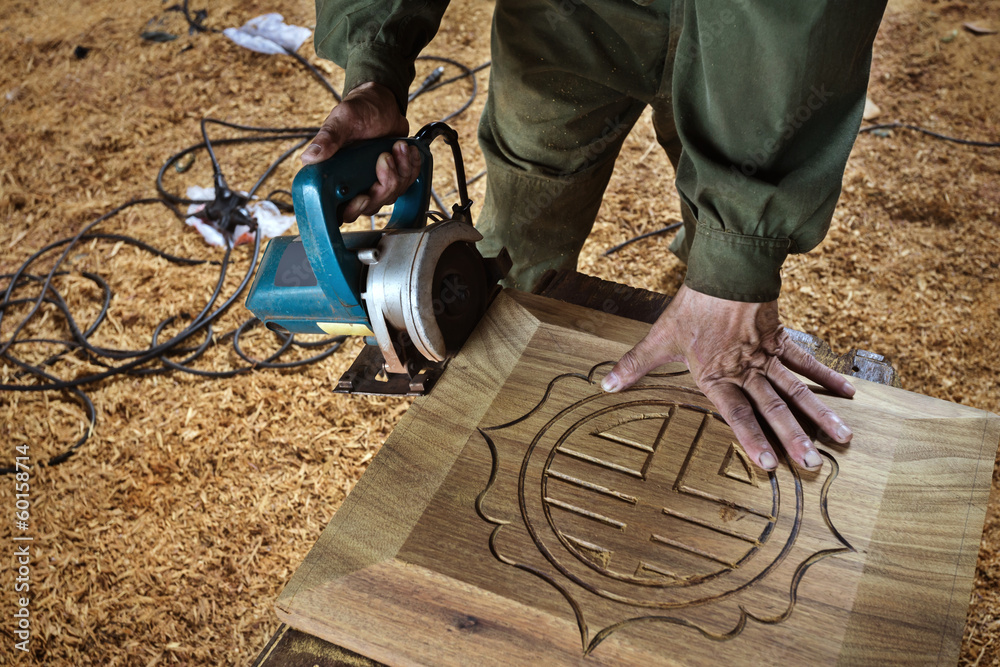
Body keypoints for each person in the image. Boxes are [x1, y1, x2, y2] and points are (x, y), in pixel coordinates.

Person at [300, 0, 888, 472]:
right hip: (566, 19)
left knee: (725, 289)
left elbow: (805, 22)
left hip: (757, 46)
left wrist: (735, 268)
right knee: (511, 262)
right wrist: (375, 64)